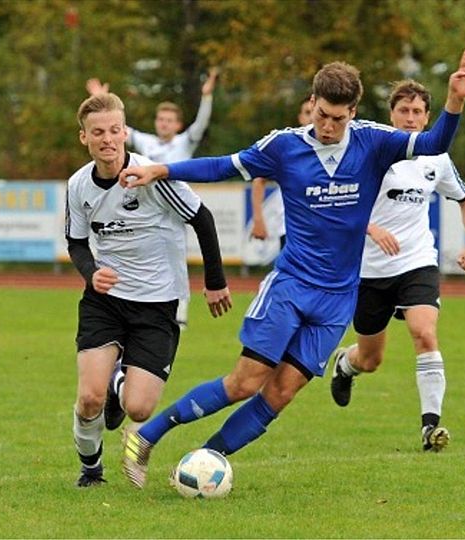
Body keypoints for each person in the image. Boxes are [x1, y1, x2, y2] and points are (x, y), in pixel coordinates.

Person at [116, 48, 465, 489]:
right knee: (245, 382)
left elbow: (433, 144)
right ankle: (146, 437)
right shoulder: (284, 145)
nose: (328, 127)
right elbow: (224, 166)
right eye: (322, 115)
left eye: (338, 119)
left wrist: (455, 102)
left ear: (353, 111)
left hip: (337, 300)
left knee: (281, 393)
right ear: (313, 102)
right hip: (291, 285)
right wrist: (162, 169)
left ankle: (206, 461)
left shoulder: (374, 141)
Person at [66, 92, 233, 487]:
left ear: (125, 132)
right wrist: (91, 273)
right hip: (105, 303)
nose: (107, 139)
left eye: (114, 130)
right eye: (97, 132)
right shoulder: (78, 186)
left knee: (138, 409)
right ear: (84, 138)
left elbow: (202, 218)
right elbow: (75, 242)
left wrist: (215, 282)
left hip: (158, 304)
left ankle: (118, 383)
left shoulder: (152, 176)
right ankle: (91, 470)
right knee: (89, 398)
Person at [329, 79, 465, 452]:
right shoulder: (371, 152)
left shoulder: (437, 159)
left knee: (425, 333)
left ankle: (431, 428)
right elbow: (339, 203)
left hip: (416, 261)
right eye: (403, 111)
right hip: (369, 269)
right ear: (391, 114)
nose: (410, 118)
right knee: (371, 359)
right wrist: (370, 227)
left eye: (417, 112)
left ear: (428, 117)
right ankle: (345, 366)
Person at [86, 67, 221, 329]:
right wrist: (103, 99)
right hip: (146, 208)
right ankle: (130, 304)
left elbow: (201, 124)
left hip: (175, 208)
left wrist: (206, 97)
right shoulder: (146, 142)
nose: (164, 124)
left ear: (178, 125)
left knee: (175, 255)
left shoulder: (184, 142)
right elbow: (117, 128)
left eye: (169, 120)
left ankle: (179, 309)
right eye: (161, 119)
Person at [247, 95, 313, 251]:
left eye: (315, 112)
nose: (312, 117)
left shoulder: (335, 147)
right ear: (300, 117)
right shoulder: (287, 147)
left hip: (324, 231)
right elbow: (259, 179)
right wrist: (258, 220)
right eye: (307, 112)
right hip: (291, 231)